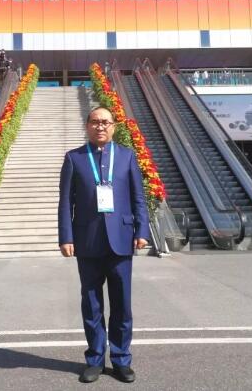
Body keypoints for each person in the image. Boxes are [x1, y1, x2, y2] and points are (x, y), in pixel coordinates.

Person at [58, 107, 150, 384]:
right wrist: (66, 236)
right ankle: (95, 359)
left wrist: (142, 230)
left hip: (121, 240)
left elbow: (138, 197)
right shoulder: (74, 158)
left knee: (122, 304)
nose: (100, 126)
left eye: (105, 122)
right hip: (87, 241)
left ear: (114, 127)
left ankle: (121, 359)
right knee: (92, 304)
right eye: (95, 122)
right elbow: (66, 202)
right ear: (87, 126)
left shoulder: (127, 156)